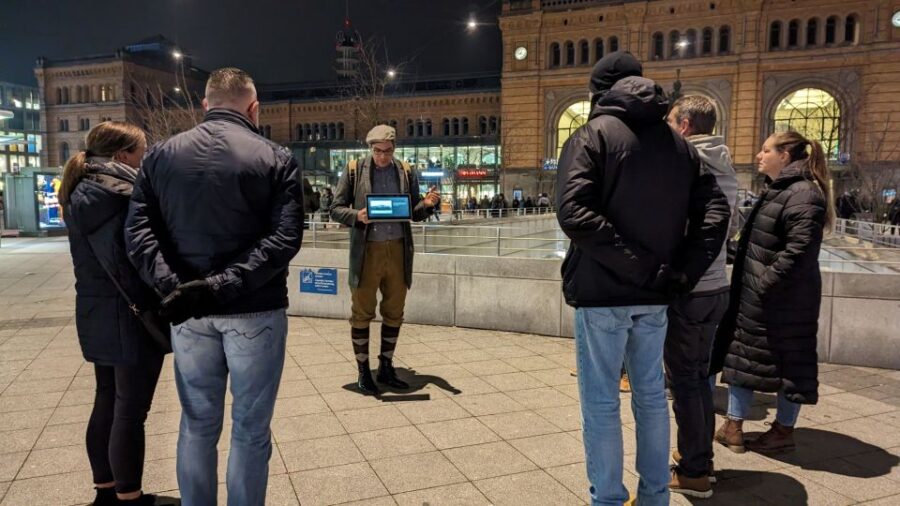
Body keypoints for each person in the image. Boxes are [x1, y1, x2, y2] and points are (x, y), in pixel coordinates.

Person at [556, 51, 729, 506]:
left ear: (599, 91)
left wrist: (641, 266)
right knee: (652, 398)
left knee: (601, 404)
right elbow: (716, 211)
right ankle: (655, 497)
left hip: (601, 293)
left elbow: (574, 213)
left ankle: (609, 499)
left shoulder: (593, 135)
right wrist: (683, 271)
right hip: (656, 296)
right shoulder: (678, 145)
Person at [125, 67, 304, 506]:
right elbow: (283, 240)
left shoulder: (160, 156)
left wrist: (177, 288)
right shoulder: (275, 157)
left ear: (204, 105)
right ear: (253, 108)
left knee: (197, 424)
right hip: (254, 310)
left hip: (187, 313)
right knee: (249, 429)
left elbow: (137, 233)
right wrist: (219, 286)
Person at [60, 122, 170, 506]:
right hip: (129, 314)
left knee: (107, 397)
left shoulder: (80, 192)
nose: (145, 158)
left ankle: (106, 489)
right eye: (141, 151)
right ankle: (130, 496)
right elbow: (136, 260)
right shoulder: (123, 196)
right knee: (131, 410)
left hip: (94, 310)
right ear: (123, 156)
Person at [710, 131, 832, 456]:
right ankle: (733, 427)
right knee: (745, 357)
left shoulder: (804, 193)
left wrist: (763, 282)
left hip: (784, 301)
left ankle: (781, 431)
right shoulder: (782, 190)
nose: (759, 155)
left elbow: (799, 250)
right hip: (764, 297)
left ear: (786, 156)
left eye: (766, 150)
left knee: (790, 365)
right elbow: (764, 240)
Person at [664, 96, 738, 498]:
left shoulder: (688, 164)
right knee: (699, 381)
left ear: (686, 125)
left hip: (691, 292)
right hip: (716, 289)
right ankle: (699, 459)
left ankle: (693, 470)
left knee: (687, 385)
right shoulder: (726, 166)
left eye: (671, 122)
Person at [330, 125, 439, 395]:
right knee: (362, 313)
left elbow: (413, 213)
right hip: (367, 252)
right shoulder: (355, 169)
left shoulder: (405, 170)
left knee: (394, 311)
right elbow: (334, 208)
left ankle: (386, 366)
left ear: (394, 149)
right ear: (370, 148)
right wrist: (357, 216)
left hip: (398, 250)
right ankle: (364, 370)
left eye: (387, 151)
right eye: (378, 151)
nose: (382, 157)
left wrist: (426, 205)